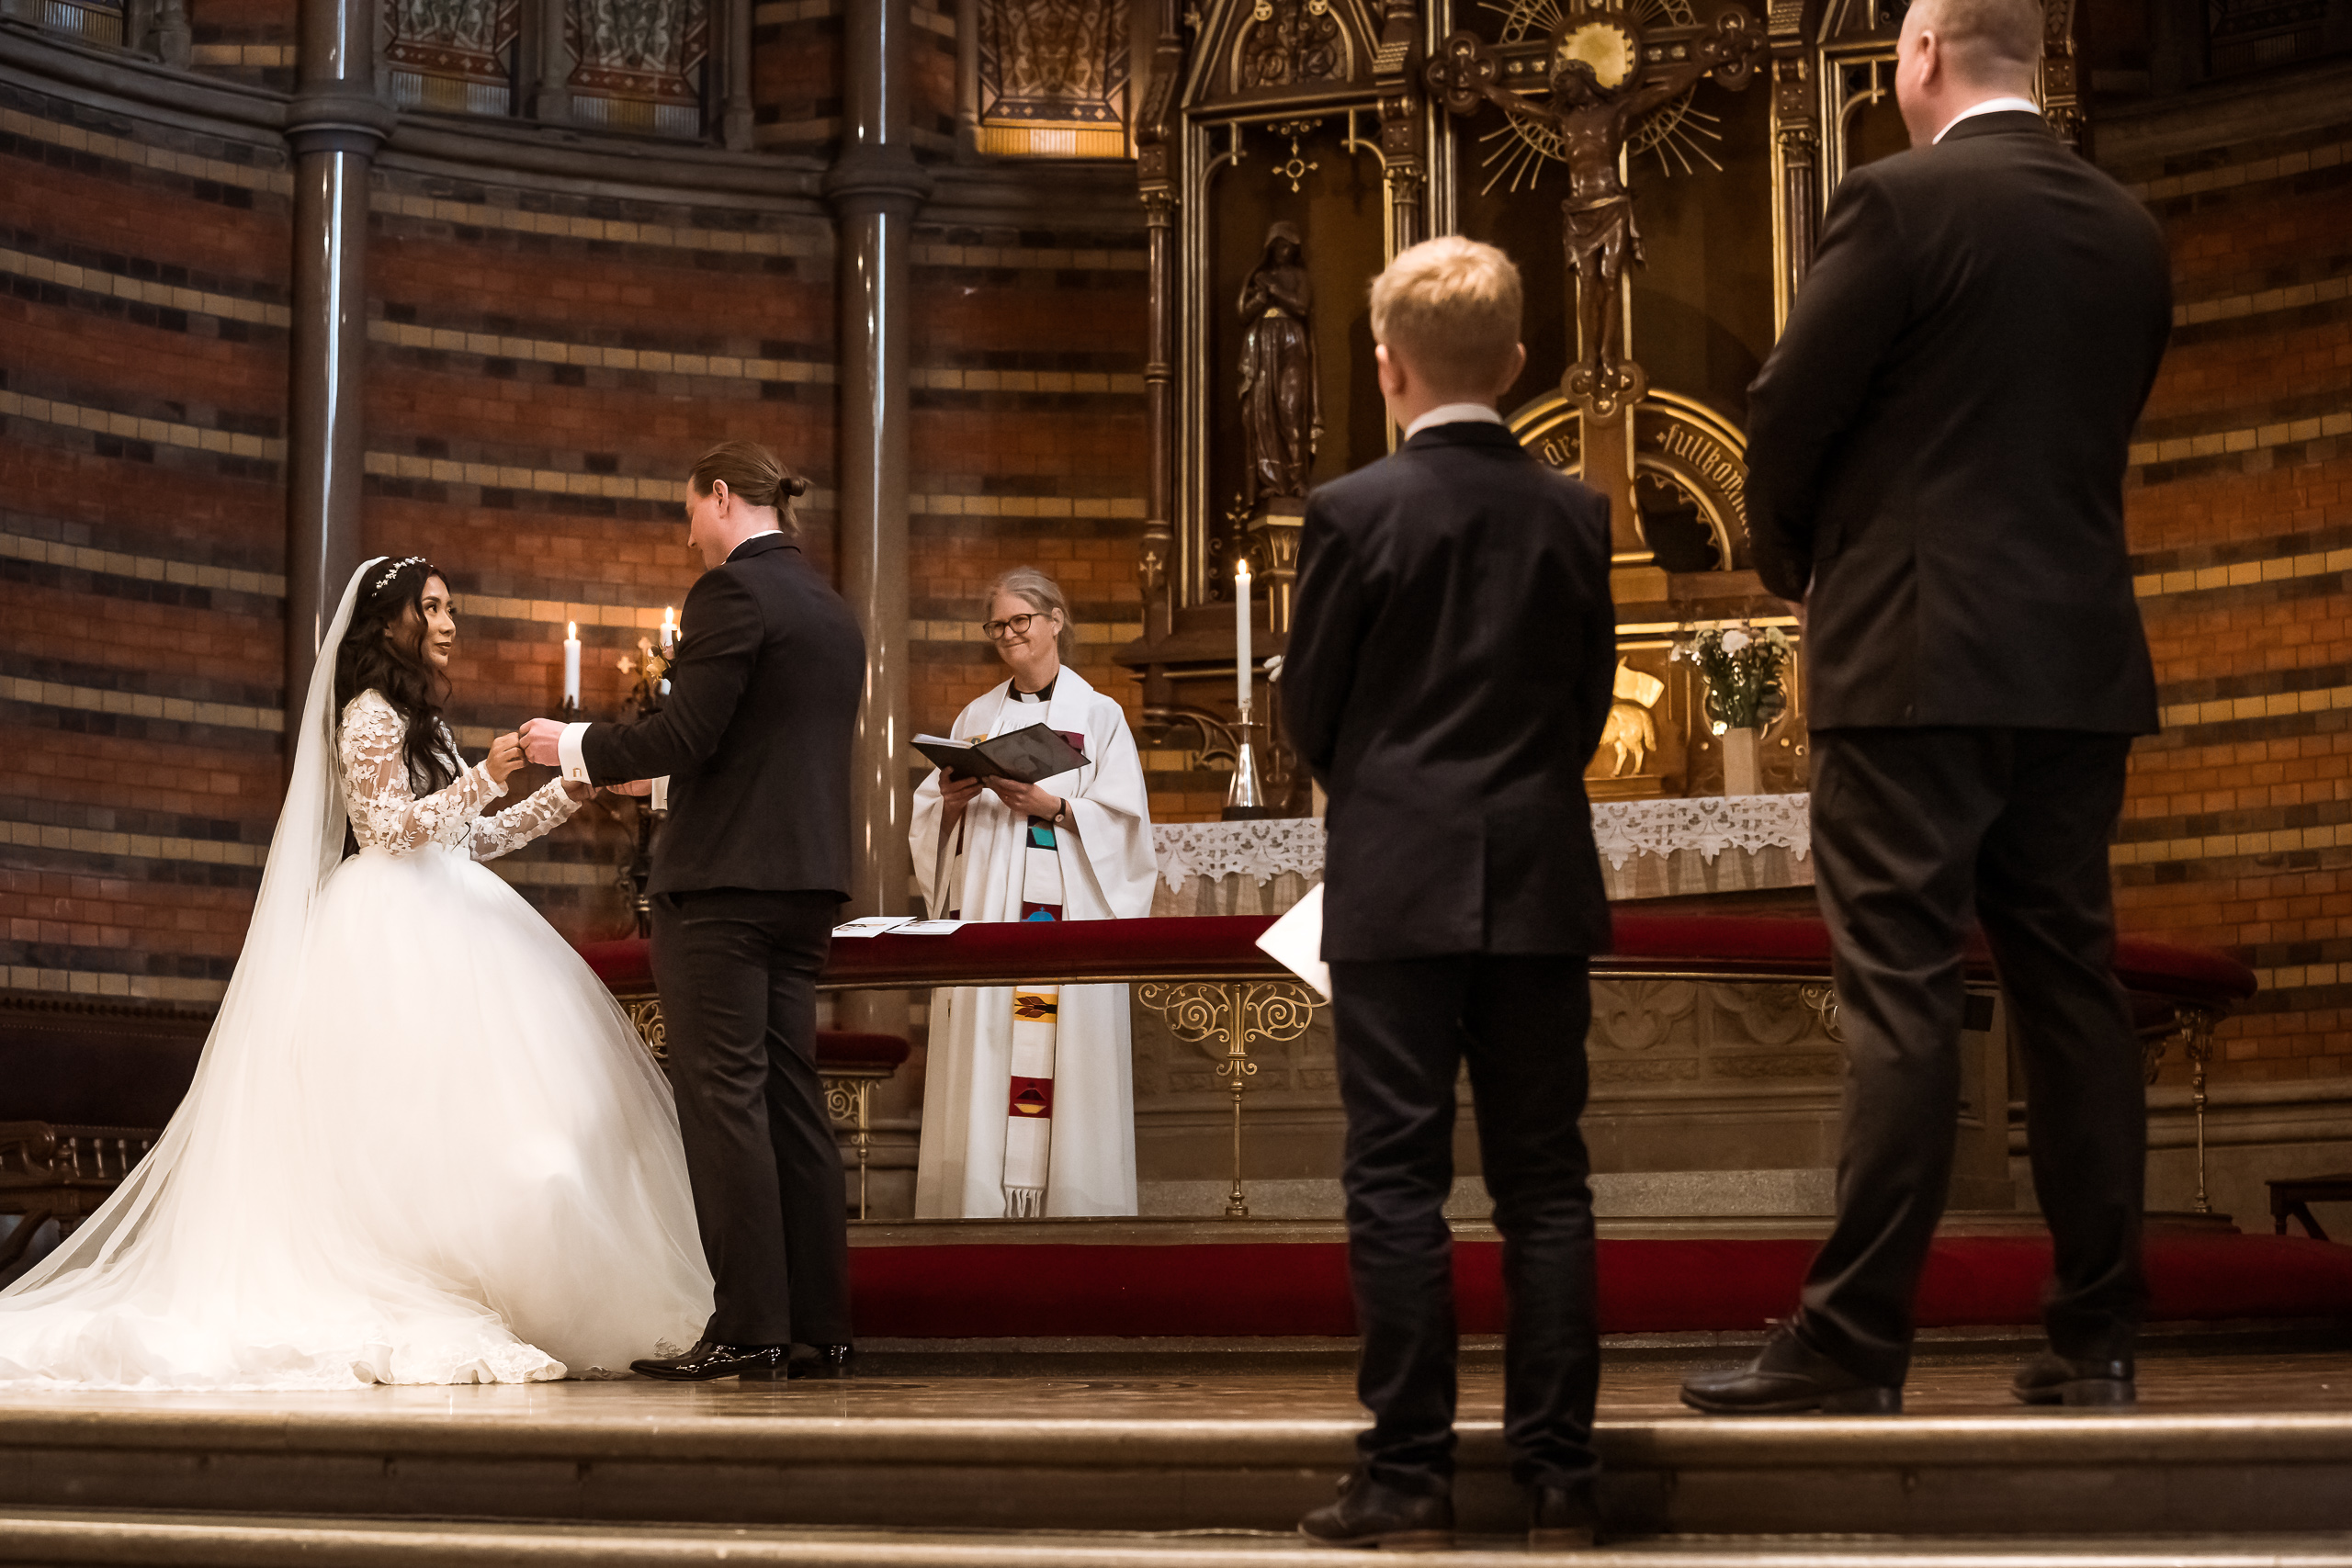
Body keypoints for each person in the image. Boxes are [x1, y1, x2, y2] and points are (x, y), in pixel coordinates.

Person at [1679, 0, 2172, 1417]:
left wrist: (1793, 563)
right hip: (2077, 665)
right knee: (2073, 993)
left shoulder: (1898, 204)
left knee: (1896, 989)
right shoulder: (2129, 229)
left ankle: (1851, 1339)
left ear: (1923, 55)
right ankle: (2099, 1334)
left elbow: (1786, 407)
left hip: (1912, 657)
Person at [0, 557, 713, 1388]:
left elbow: (472, 840)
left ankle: (503, 1282)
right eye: (434, 608)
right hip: (385, 929)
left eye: (452, 608)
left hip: (453, 914)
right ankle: (423, 1276)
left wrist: (569, 792)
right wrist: (487, 773)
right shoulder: (370, 714)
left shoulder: (422, 722)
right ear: (390, 623)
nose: (450, 623)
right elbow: (384, 831)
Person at [1281, 235, 1617, 1551]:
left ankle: (1409, 1476)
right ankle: (1561, 1476)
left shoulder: (1354, 513)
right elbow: (1587, 702)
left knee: (1397, 1180)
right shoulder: (1577, 514)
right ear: (1521, 364)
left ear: (1387, 368)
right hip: (1536, 872)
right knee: (1546, 1183)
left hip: (1398, 877)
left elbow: (1311, 709)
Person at [520, 441, 866, 1382]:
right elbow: (755, 753)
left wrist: (575, 743)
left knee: (723, 1103)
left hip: (721, 892)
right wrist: (667, 789)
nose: (687, 535)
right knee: (791, 1099)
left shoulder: (733, 594)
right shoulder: (830, 610)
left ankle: (751, 1322)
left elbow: (688, 729)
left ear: (721, 497)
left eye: (689, 514)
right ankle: (819, 1323)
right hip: (804, 881)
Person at [909, 568, 1155, 1219]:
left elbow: (1129, 826)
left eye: (1021, 619)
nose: (1010, 634)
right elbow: (929, 816)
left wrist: (1055, 805)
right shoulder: (977, 717)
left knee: (1066, 1064)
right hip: (993, 918)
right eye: (998, 624)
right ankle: (981, 1211)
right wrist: (951, 801)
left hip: (1063, 925)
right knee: (987, 1058)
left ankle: (1077, 1214)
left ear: (1055, 621)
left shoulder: (1099, 717)